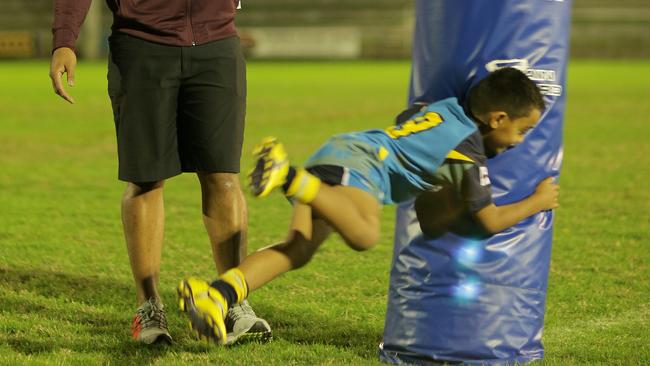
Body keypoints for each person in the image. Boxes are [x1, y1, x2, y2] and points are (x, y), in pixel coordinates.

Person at [176, 67, 559, 344]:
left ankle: (217, 294)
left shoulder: (446, 108)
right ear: (498, 118)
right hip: (363, 167)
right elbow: (488, 220)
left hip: (343, 149)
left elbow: (407, 119)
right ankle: (291, 178)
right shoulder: (467, 148)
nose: (522, 141)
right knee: (364, 235)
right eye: (523, 130)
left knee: (299, 248)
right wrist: (538, 201)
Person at [49, 0, 271, 345]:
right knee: (146, 178)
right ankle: (148, 305)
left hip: (217, 45)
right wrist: (65, 39)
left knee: (223, 176)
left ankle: (232, 299)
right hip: (142, 46)